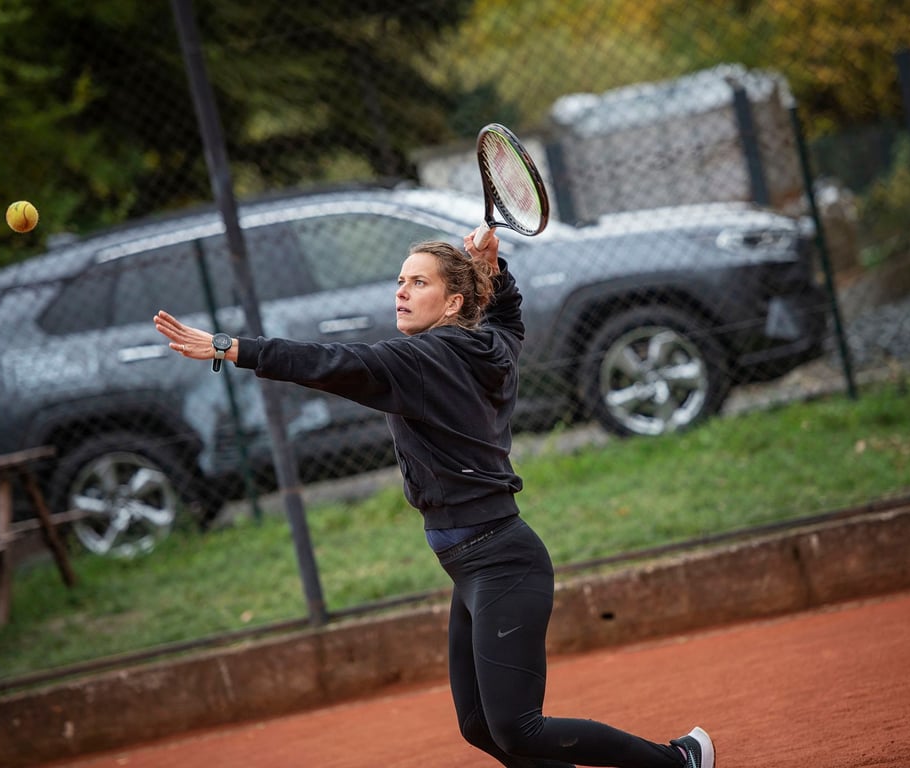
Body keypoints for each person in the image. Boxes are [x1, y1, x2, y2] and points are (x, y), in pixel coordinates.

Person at [153, 229, 715, 768]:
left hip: (500, 561)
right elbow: (507, 313)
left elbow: (329, 362)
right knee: (478, 725)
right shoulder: (491, 344)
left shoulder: (420, 360)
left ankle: (678, 760)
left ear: (451, 304)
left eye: (418, 282)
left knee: (519, 727)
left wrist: (231, 347)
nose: (401, 291)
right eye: (400, 280)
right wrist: (495, 267)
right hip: (477, 561)